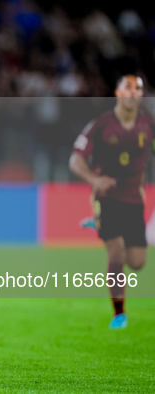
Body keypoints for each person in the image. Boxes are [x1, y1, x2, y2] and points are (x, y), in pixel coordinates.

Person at [69, 74, 154, 329]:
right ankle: (119, 313)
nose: (133, 93)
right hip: (107, 197)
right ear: (117, 93)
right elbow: (75, 160)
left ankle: (99, 225)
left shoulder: (147, 125)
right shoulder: (102, 125)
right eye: (127, 88)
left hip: (134, 199)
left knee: (138, 263)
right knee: (116, 252)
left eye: (137, 89)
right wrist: (93, 180)